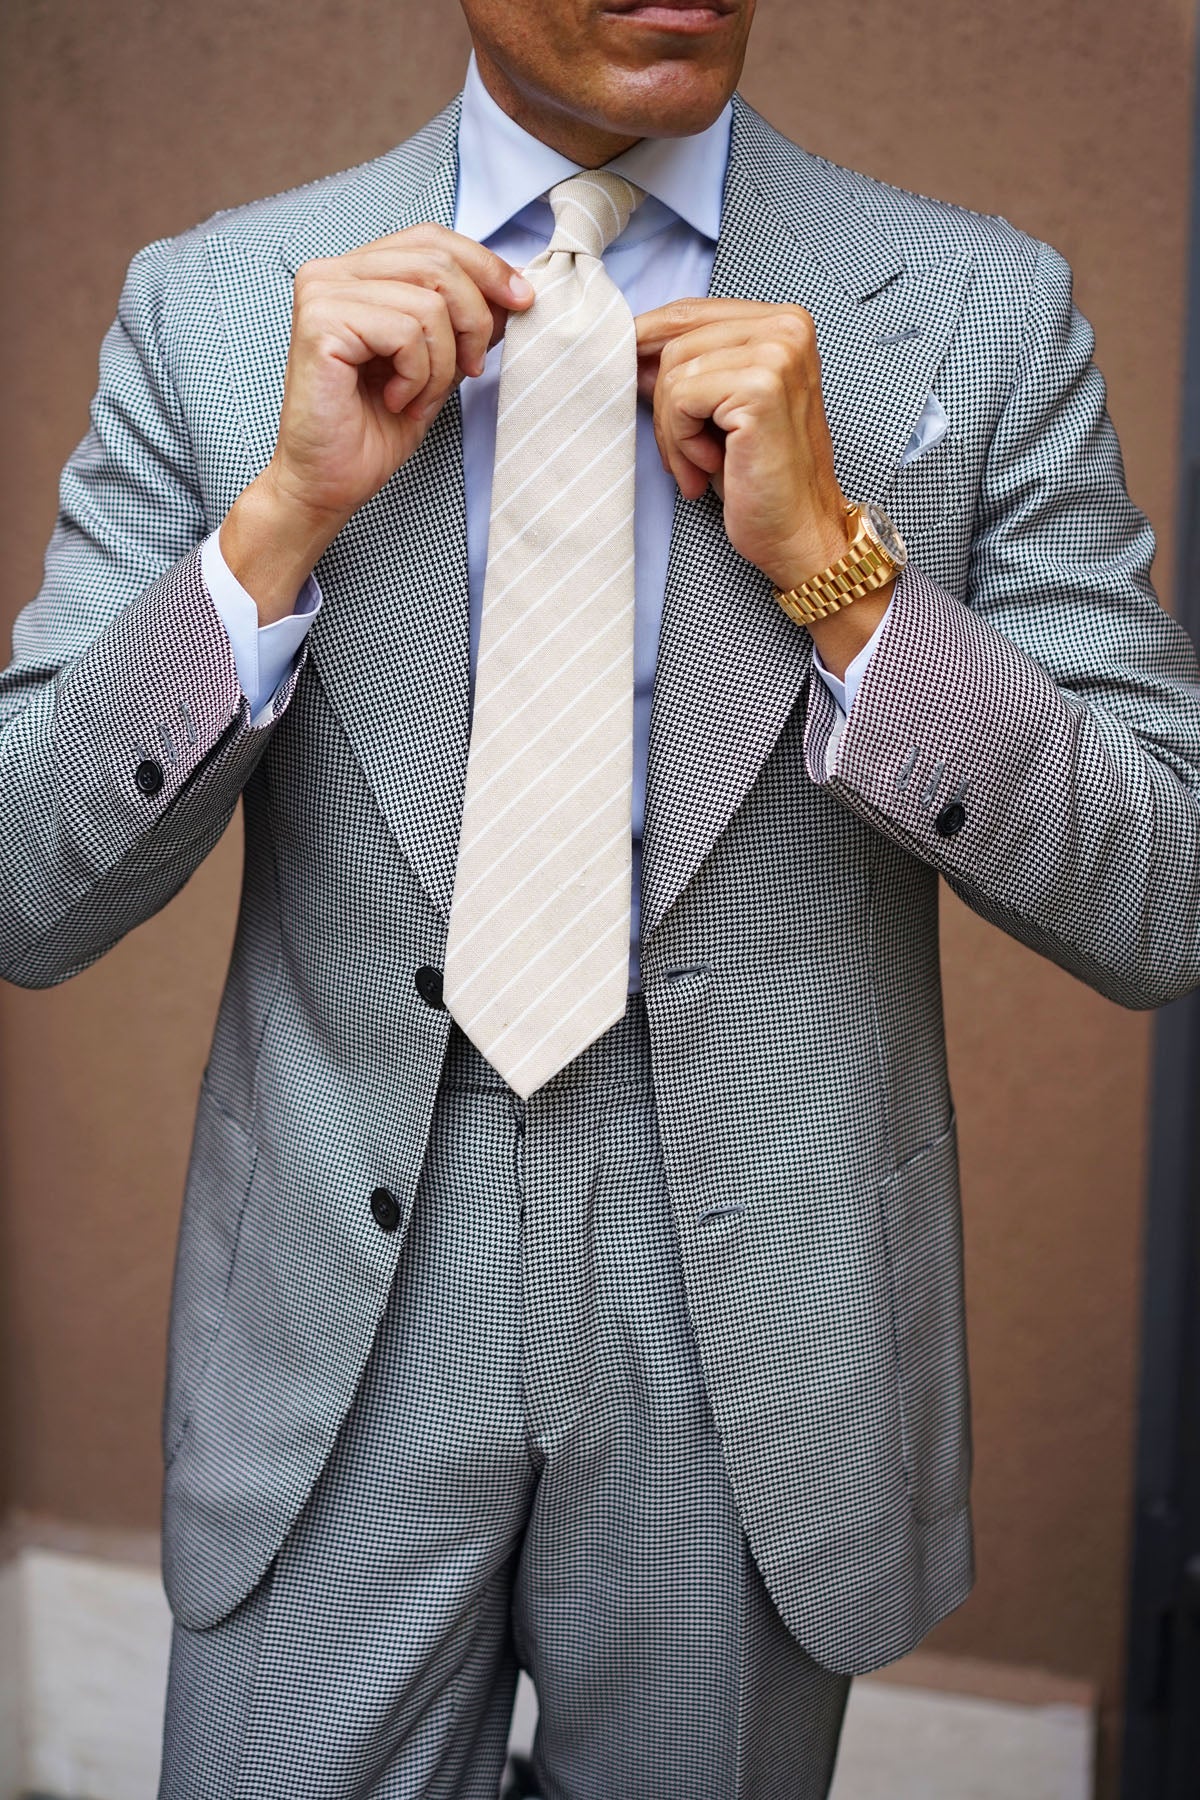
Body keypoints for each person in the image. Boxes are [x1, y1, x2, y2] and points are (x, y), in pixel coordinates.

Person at [3, 0, 1199, 1793]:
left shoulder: (974, 310)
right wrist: (273, 528)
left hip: (755, 1317)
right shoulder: (219, 303)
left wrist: (842, 577)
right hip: (345, 1292)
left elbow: (1165, 886)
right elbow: (28, 880)